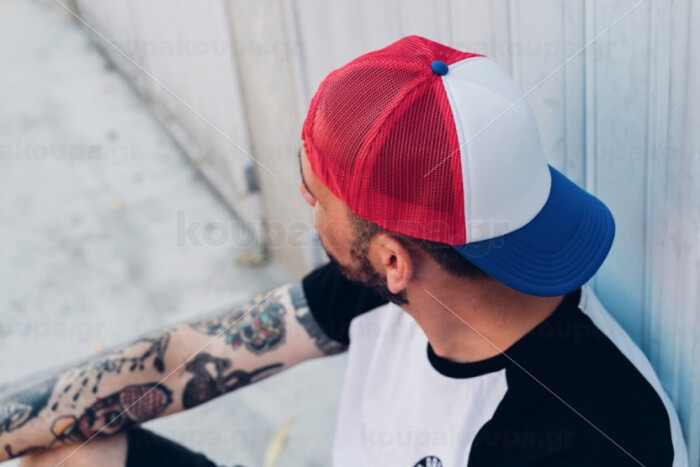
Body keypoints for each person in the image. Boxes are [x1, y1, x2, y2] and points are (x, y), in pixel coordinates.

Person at [0, 35, 687, 467]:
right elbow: (186, 358)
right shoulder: (408, 280)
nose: (304, 198)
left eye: (317, 194)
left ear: (392, 258)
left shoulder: (585, 437)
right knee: (65, 449)